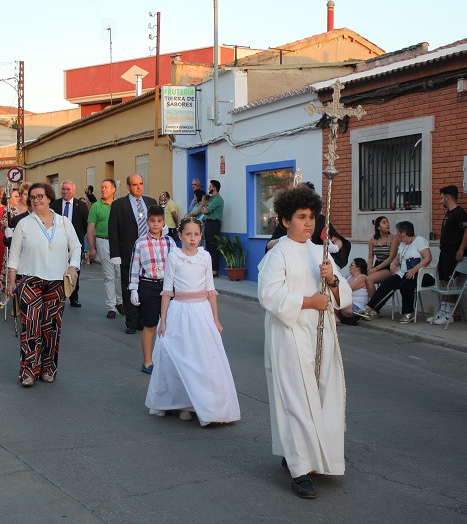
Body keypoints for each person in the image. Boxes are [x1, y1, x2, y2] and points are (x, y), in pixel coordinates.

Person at [257, 185, 351, 500]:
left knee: (322, 395)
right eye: (301, 217)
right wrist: (310, 302)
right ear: (285, 220)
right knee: (296, 399)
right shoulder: (279, 252)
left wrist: (334, 280)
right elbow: (268, 294)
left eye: (312, 217)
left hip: (321, 334)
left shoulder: (319, 252)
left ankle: (309, 453)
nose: (308, 223)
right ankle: (299, 470)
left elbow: (343, 298)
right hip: (289, 334)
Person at [145, 216, 240, 424]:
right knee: (180, 357)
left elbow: (210, 290)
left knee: (202, 359)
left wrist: (216, 320)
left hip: (202, 312)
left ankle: (202, 403)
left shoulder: (205, 257)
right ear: (179, 236)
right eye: (188, 234)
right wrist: (164, 320)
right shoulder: (174, 257)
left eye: (196, 234)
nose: (192, 238)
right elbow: (167, 290)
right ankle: (182, 403)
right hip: (179, 311)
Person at [7, 183, 81, 387]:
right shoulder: (24, 224)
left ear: (49, 198)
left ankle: (48, 368)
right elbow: (14, 254)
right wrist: (11, 280)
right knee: (31, 325)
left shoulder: (64, 223)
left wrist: (73, 268)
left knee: (51, 327)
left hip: (57, 281)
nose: (36, 200)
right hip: (30, 280)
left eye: (40, 196)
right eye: (32, 197)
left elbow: (76, 247)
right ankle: (29, 371)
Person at [354, 221, 432, 324]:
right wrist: (393, 265)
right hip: (402, 274)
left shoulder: (419, 241)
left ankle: (408, 313)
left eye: (398, 232)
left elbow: (428, 258)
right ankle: (370, 308)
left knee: (405, 284)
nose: (397, 234)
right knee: (387, 283)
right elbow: (396, 259)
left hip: (419, 275)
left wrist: (414, 270)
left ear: (404, 233)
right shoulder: (403, 244)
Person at [129, 205, 176, 373]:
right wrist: (134, 288)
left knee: (169, 325)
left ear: (164, 222)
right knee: (150, 325)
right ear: (147, 221)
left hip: (167, 287)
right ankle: (148, 361)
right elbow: (134, 266)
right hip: (148, 285)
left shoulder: (170, 242)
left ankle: (167, 361)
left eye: (159, 221)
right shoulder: (140, 242)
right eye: (152, 221)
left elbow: (176, 266)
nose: (156, 224)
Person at [109, 174, 157, 334]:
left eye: (141, 183)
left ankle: (142, 321)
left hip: (148, 253)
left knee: (145, 288)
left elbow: (157, 225)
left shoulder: (151, 202)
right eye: (135, 184)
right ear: (128, 187)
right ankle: (131, 322)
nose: (138, 187)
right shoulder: (118, 204)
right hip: (127, 253)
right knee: (129, 287)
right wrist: (115, 254)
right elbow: (113, 230)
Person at [428, 185, 467, 325]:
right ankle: (443, 311)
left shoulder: (459, 213)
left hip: (454, 252)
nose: (440, 200)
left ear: (447, 197)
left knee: (452, 283)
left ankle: (450, 314)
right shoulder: (448, 213)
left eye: (441, 197)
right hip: (445, 252)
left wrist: (461, 249)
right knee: (444, 282)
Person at [88, 178, 125, 319]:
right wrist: (92, 248)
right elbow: (90, 228)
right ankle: (111, 307)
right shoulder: (96, 206)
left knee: (121, 273)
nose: (103, 189)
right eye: (102, 187)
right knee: (109, 275)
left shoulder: (119, 205)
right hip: (103, 241)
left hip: (119, 243)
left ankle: (120, 302)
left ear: (113, 189)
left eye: (106, 187)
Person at [52, 181, 89, 308]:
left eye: (68, 189)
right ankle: (57, 295)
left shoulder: (81, 205)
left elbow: (85, 225)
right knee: (58, 269)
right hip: (58, 242)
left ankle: (74, 297)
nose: (65, 191)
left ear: (73, 191)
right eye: (63, 189)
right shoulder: (55, 205)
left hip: (75, 242)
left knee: (74, 269)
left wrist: (76, 237)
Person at [365, 216, 399, 298]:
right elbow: (370, 258)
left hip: (389, 267)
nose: (387, 224)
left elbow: (391, 258)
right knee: (361, 278)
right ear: (378, 227)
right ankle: (363, 303)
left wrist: (375, 269)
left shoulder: (393, 238)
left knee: (369, 279)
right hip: (377, 265)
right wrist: (368, 269)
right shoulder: (372, 240)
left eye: (387, 222)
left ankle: (373, 306)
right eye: (384, 223)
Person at [201, 179, 224, 277]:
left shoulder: (218, 199)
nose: (208, 188)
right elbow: (203, 209)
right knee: (208, 246)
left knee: (213, 246)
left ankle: (215, 270)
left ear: (214, 187)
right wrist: (204, 209)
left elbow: (206, 211)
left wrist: (204, 209)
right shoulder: (211, 199)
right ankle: (209, 269)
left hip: (214, 223)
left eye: (210, 186)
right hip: (208, 223)